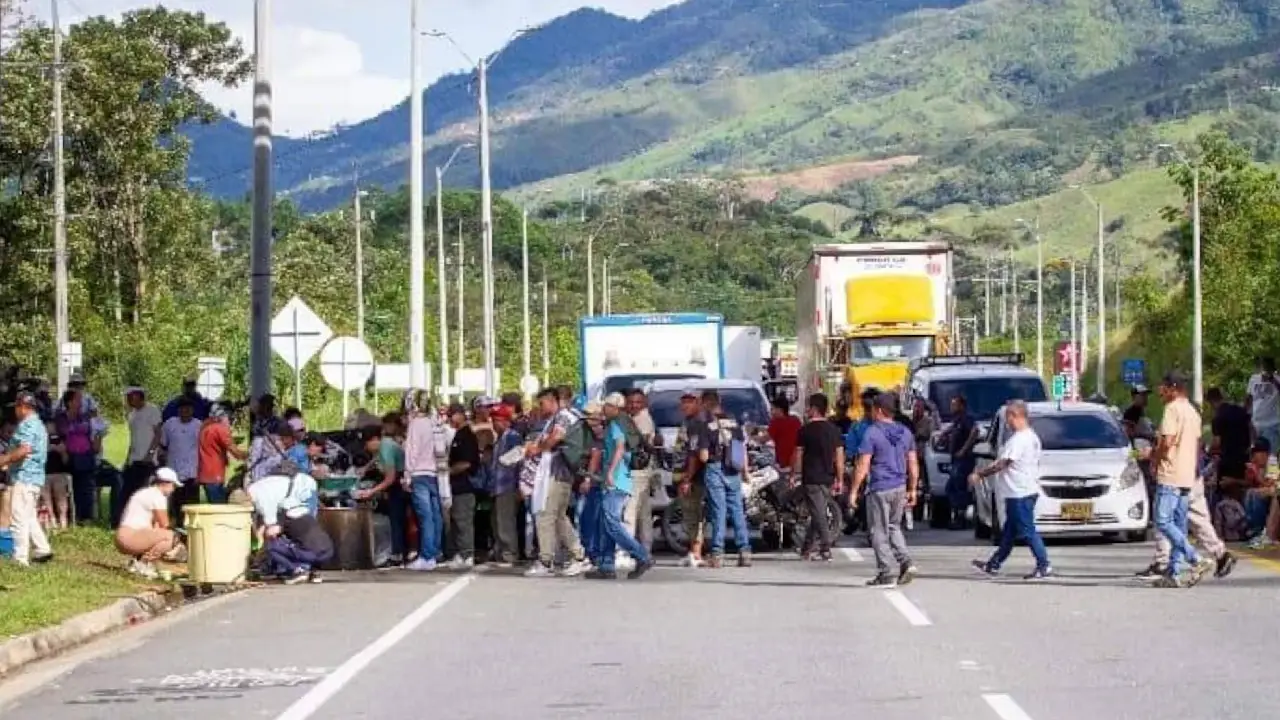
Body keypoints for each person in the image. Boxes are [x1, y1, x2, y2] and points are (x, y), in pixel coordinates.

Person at [1145, 371, 1217, 588]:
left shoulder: (1172, 409)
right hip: (1188, 476)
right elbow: (1195, 445)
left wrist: (1152, 457)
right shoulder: (1193, 412)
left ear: (1173, 388)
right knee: (1179, 524)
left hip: (1171, 474)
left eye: (1163, 387)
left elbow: (1167, 443)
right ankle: (1173, 573)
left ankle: (1195, 558)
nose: (1160, 391)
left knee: (1163, 521)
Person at [970, 400, 1052, 580]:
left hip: (1020, 492)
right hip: (1022, 490)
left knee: (1027, 531)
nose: (1007, 422)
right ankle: (994, 564)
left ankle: (1044, 564)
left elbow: (1004, 463)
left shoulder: (1020, 439)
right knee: (1009, 533)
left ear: (1016, 416)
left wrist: (980, 474)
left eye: (1008, 417)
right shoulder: (1031, 436)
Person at [850, 393, 919, 588]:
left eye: (872, 408)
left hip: (880, 487)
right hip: (900, 486)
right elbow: (913, 463)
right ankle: (906, 562)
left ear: (879, 410)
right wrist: (913, 488)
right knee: (894, 527)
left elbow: (863, 464)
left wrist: (854, 490)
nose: (871, 412)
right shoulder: (905, 433)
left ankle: (886, 572)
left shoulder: (872, 433)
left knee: (878, 531)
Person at [586, 393, 653, 580]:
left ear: (615, 407)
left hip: (616, 481)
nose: (603, 409)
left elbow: (620, 448)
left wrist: (610, 472)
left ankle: (641, 555)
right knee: (605, 524)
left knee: (612, 522)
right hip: (615, 481)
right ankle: (606, 565)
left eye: (606, 406)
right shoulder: (620, 423)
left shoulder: (616, 424)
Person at [525, 388, 589, 578]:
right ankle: (578, 555)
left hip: (557, 472)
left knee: (545, 514)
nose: (540, 407)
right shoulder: (556, 419)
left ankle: (546, 560)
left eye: (542, 403)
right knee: (559, 516)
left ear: (552, 401)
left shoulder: (562, 417)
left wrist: (538, 449)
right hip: (558, 473)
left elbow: (557, 437)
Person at [241, 472, 330, 584]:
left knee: (274, 545)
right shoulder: (256, 488)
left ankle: (298, 570)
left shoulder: (261, 499)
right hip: (327, 550)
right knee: (306, 535)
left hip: (302, 491)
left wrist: (259, 551)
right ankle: (311, 571)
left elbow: (271, 528)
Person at [701, 389, 752, 568]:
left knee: (719, 511)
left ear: (705, 403)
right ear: (719, 401)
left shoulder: (707, 425)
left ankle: (717, 554)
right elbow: (742, 449)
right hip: (734, 469)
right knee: (737, 510)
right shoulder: (734, 423)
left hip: (715, 469)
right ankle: (744, 552)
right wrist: (745, 472)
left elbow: (703, 456)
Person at [0, 392, 53, 565]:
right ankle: (42, 549)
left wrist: (5, 459)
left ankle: (20, 558)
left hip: (24, 477)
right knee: (29, 516)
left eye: (16, 407)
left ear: (23, 407)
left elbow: (24, 450)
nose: (15, 411)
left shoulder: (27, 425)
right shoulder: (38, 425)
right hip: (35, 478)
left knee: (18, 519)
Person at [792, 393, 844, 562]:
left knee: (818, 512)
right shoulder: (834, 430)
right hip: (828, 477)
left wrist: (795, 474)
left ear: (814, 409)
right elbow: (839, 457)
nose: (806, 410)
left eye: (808, 407)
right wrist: (840, 478)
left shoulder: (804, 431)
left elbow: (798, 455)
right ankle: (807, 547)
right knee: (818, 510)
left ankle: (825, 546)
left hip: (811, 477)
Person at [402, 389, 449, 572]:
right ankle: (435, 552)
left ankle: (426, 556)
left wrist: (407, 476)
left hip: (419, 474)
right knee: (436, 516)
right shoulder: (435, 422)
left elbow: (411, 451)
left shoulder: (416, 424)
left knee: (425, 517)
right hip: (437, 474)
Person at [115, 467, 183, 578]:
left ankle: (137, 562)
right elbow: (165, 524)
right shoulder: (157, 496)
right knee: (172, 537)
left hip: (123, 535)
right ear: (165, 483)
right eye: (173, 485)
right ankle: (143, 563)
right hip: (131, 536)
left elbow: (156, 526)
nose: (173, 490)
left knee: (160, 533)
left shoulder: (145, 492)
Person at [676, 389, 710, 568]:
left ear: (698, 403)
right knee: (689, 514)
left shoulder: (698, 423)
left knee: (694, 515)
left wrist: (688, 478)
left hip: (695, 477)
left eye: (689, 402)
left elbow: (694, 455)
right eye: (683, 402)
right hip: (684, 473)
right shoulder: (688, 422)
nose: (685, 405)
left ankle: (696, 553)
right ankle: (693, 551)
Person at [445, 403, 480, 570]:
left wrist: (448, 471)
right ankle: (461, 552)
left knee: (463, 521)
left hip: (465, 484)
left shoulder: (467, 435)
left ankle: (467, 553)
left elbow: (467, 463)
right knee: (457, 521)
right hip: (456, 486)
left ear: (460, 414)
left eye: (451, 415)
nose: (449, 419)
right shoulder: (458, 434)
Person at [56, 388, 99, 524]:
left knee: (87, 486)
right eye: (78, 399)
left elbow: (93, 431)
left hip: (86, 454)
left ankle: (87, 516)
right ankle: (75, 515)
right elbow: (64, 432)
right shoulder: (62, 418)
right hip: (72, 455)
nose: (81, 402)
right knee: (75, 486)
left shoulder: (84, 417)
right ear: (69, 402)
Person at [121, 388, 162, 524]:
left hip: (147, 459)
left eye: (130, 397)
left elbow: (158, 433)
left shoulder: (152, 410)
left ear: (138, 396)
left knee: (144, 490)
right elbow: (133, 438)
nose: (128, 400)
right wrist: (127, 458)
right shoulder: (132, 414)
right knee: (128, 491)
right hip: (133, 458)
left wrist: (150, 454)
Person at [195, 403, 247, 510]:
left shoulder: (205, 425)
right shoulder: (220, 429)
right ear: (223, 415)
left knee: (213, 505)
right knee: (220, 507)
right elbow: (235, 451)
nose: (231, 421)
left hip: (205, 472)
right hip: (215, 473)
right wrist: (249, 455)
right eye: (229, 417)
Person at [489, 404, 523, 567]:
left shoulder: (513, 437)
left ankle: (509, 553)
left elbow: (518, 462)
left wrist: (519, 485)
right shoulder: (498, 439)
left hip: (508, 485)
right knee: (497, 520)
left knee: (506, 521)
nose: (494, 424)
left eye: (497, 420)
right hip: (497, 485)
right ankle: (501, 551)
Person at [161, 397, 205, 524]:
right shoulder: (169, 424)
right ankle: (178, 529)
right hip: (174, 471)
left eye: (188, 408)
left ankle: (192, 529)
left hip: (192, 471)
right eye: (182, 408)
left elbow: (203, 449)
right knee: (176, 505)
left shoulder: (199, 425)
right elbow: (163, 444)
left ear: (193, 410)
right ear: (178, 410)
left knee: (192, 505)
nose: (185, 411)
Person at [939, 394, 979, 530]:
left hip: (963, 460)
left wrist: (963, 449)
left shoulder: (967, 419)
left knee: (958, 488)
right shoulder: (957, 420)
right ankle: (958, 515)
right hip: (956, 459)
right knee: (951, 488)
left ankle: (962, 518)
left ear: (962, 406)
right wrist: (945, 434)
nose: (952, 407)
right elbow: (953, 429)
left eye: (954, 404)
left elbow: (975, 431)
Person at [625, 389, 657, 553]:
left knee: (630, 510)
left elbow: (637, 444)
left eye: (637, 402)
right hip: (644, 470)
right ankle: (645, 548)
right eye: (630, 402)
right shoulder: (634, 418)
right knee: (643, 512)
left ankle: (627, 549)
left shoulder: (642, 419)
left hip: (638, 470)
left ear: (643, 403)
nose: (633, 405)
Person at [1247, 357, 1280, 450]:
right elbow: (1249, 398)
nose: (1264, 370)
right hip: (1255, 425)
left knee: (1270, 455)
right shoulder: (1254, 379)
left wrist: (1272, 380)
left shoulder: (1277, 379)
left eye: (1267, 367)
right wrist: (1245, 415)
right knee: (1257, 455)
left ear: (1272, 368)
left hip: (1271, 424)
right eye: (1262, 367)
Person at [768, 396, 802, 471]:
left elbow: (764, 439)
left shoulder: (775, 422)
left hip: (783, 464)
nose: (771, 411)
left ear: (779, 409)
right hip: (797, 464)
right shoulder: (796, 420)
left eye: (772, 409)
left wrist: (752, 437)